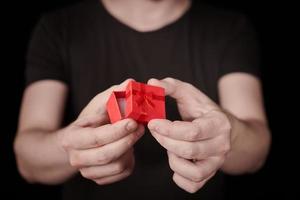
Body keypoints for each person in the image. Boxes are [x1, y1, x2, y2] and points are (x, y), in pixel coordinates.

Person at [14, 0, 271, 199]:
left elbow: (257, 152)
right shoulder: (58, 27)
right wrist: (72, 146)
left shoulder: (230, 28)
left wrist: (229, 133)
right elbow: (27, 160)